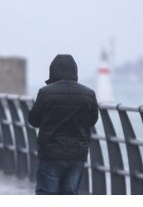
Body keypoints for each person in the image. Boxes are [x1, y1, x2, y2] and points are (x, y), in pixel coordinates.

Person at [28, 54, 99, 195]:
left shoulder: (45, 93)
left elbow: (34, 120)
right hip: (77, 154)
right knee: (70, 193)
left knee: (47, 193)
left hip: (50, 154)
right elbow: (92, 120)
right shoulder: (88, 94)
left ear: (53, 71)